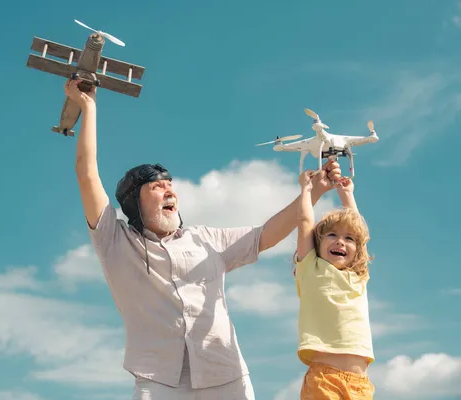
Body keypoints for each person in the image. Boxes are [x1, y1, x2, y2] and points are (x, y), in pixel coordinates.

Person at [65, 78, 342, 399]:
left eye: (171, 184)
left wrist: (314, 193)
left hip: (225, 375)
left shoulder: (207, 239)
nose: (169, 190)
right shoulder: (115, 243)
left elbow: (265, 235)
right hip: (158, 382)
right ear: (134, 203)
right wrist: (89, 108)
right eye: (156, 186)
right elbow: (86, 173)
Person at [295, 170, 375, 399]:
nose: (340, 241)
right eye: (332, 235)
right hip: (325, 380)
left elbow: (360, 233)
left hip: (360, 385)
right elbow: (304, 223)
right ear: (317, 244)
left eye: (348, 239)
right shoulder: (311, 268)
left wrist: (347, 194)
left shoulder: (358, 275)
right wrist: (307, 190)